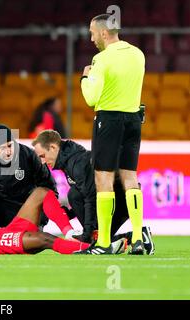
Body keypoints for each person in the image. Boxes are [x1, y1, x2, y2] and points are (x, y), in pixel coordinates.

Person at [80, 14, 145, 255]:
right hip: (133, 118)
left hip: (108, 121)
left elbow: (91, 98)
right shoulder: (138, 54)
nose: (91, 37)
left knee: (103, 180)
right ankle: (138, 238)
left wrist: (85, 76)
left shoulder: (101, 59)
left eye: (92, 32)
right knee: (130, 177)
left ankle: (104, 242)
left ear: (104, 33)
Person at [32, 130, 155, 255]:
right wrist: (70, 213)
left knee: (74, 196)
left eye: (42, 156)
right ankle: (137, 235)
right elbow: (90, 192)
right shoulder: (72, 160)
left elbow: (89, 198)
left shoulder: (76, 163)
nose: (42, 161)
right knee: (77, 198)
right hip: (120, 201)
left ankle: (105, 238)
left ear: (53, 147)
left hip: (117, 202)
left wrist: (86, 234)